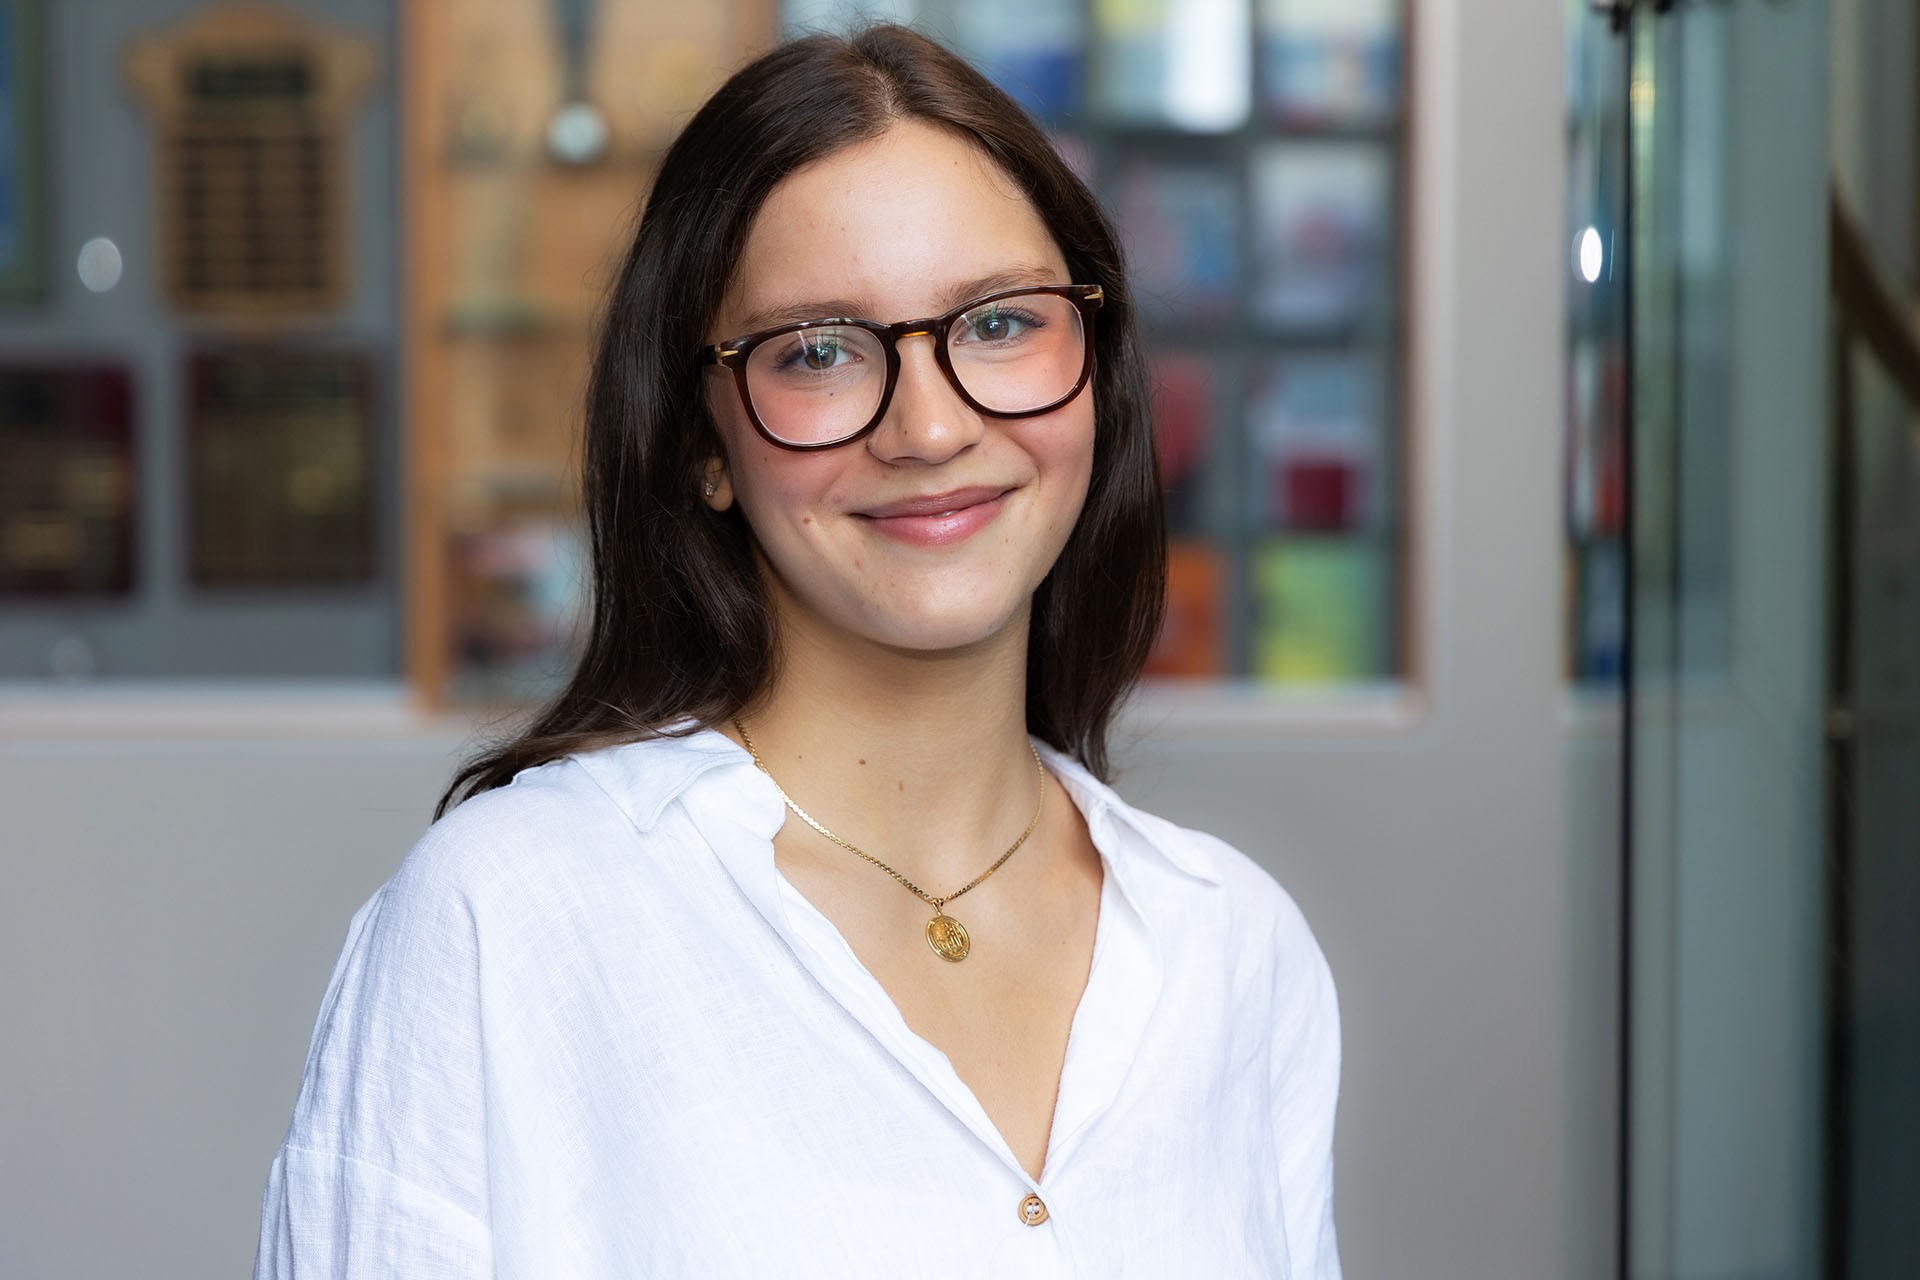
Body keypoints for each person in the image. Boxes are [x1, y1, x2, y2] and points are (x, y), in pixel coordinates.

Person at [254, 23, 1340, 1278]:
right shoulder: (507, 916)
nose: (931, 426)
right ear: (703, 442)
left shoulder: (1238, 949)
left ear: (1096, 365)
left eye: (998, 324)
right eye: (818, 349)